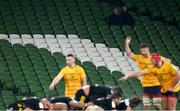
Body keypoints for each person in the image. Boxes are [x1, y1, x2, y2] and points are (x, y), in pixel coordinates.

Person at [125, 36, 164, 110]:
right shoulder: (139, 57)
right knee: (146, 106)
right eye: (141, 51)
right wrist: (127, 44)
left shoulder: (154, 57)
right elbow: (129, 54)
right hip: (145, 85)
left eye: (144, 51)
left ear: (148, 49)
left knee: (156, 105)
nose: (143, 52)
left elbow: (162, 65)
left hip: (155, 84)